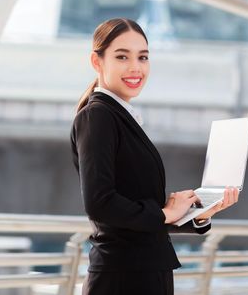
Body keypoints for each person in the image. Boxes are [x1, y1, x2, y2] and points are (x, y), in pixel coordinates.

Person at [70, 17, 239, 295]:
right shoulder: (97, 116)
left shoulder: (119, 116)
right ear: (97, 62)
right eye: (122, 56)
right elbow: (100, 203)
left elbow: (137, 216)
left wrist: (196, 214)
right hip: (122, 278)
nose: (136, 67)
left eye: (143, 57)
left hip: (146, 272)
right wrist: (163, 213)